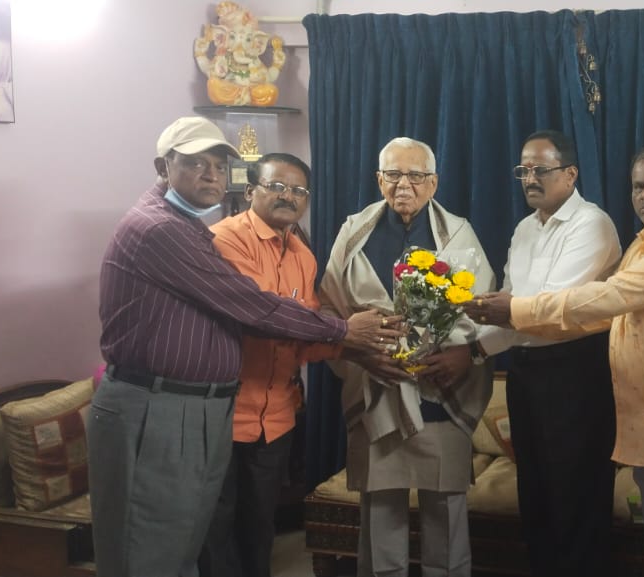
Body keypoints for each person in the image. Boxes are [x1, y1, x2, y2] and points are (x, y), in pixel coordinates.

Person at [90, 116, 402, 577]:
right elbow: (253, 308)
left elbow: (292, 332)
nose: (211, 175)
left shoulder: (212, 232)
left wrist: (352, 347)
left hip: (214, 409)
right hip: (162, 406)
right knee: (158, 547)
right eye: (196, 163)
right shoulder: (167, 230)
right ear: (163, 167)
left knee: (194, 540)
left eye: (219, 166)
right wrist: (343, 332)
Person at [464, 144, 644, 577]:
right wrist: (487, 336)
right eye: (638, 186)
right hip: (642, 411)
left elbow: (607, 298)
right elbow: (608, 313)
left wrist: (514, 310)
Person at [318, 137, 496, 577]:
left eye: (416, 176)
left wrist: (463, 354)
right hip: (376, 387)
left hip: (440, 390)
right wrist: (360, 356)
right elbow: (329, 307)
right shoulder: (354, 232)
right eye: (394, 175)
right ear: (378, 179)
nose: (404, 185)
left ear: (433, 183)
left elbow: (482, 307)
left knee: (446, 513)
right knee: (381, 511)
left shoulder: (458, 233)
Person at [198, 153, 372, 577]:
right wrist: (344, 331)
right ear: (250, 190)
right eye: (276, 186)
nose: (288, 197)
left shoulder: (302, 255)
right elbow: (261, 314)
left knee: (260, 526)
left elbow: (303, 342)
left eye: (298, 191)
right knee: (215, 528)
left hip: (276, 417)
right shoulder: (224, 239)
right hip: (222, 413)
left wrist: (360, 349)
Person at [470, 130, 623, 577]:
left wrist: (500, 313)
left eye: (540, 169)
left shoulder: (592, 224)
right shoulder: (524, 228)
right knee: (535, 493)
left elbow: (550, 307)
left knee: (575, 496)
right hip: (525, 373)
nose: (529, 178)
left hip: (574, 374)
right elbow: (513, 309)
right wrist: (474, 347)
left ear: (570, 174)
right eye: (523, 169)